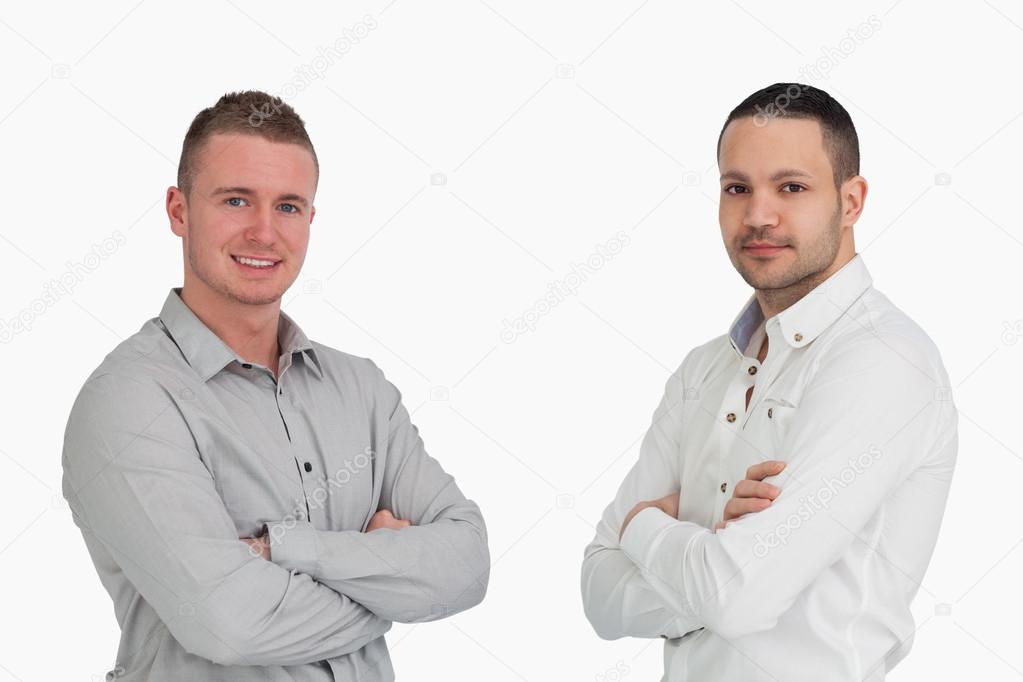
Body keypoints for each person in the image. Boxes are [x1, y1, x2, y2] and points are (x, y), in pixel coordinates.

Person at [61, 90, 490, 681]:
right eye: (236, 200)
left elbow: (466, 568)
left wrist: (282, 550)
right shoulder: (130, 401)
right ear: (178, 211)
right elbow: (229, 625)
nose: (264, 232)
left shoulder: (361, 390)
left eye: (288, 206)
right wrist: (390, 589)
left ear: (311, 219)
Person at [580, 82, 957, 681]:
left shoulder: (883, 359)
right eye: (737, 188)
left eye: (792, 187)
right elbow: (598, 594)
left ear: (852, 200)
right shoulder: (703, 370)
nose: (758, 215)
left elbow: (736, 595)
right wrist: (711, 546)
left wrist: (642, 526)